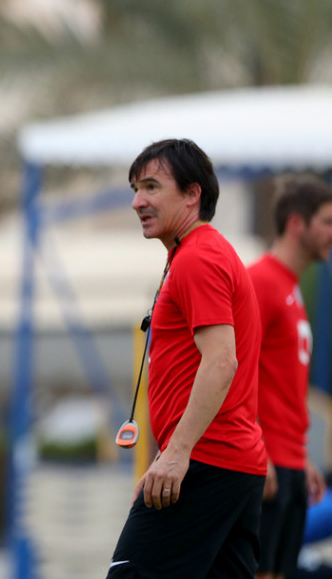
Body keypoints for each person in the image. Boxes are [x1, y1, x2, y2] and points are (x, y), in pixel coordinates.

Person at [107, 138, 267, 578]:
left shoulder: (198, 257)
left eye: (153, 187)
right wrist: (167, 455)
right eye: (136, 189)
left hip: (208, 464)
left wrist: (176, 455)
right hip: (228, 465)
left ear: (193, 194)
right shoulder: (197, 254)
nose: (138, 201)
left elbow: (221, 361)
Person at [250, 177, 332, 579]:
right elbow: (232, 369)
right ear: (297, 224)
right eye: (327, 222)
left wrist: (302, 456)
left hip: (291, 461)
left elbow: (283, 382)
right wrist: (257, 447)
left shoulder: (291, 287)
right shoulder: (260, 281)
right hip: (266, 466)